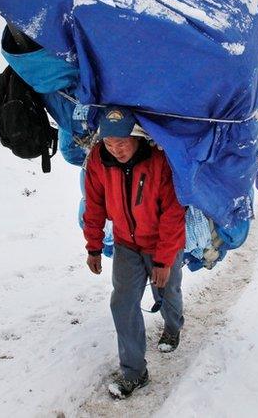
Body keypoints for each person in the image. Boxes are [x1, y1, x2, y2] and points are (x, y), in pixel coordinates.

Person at [82, 106, 187, 399]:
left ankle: (173, 326)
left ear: (137, 137)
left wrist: (164, 260)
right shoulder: (98, 161)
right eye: (109, 143)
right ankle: (134, 372)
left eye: (122, 143)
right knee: (123, 303)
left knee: (167, 293)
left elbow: (173, 213)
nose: (116, 150)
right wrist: (93, 246)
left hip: (161, 242)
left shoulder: (159, 161)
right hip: (126, 244)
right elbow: (94, 206)